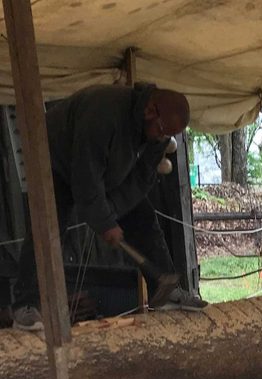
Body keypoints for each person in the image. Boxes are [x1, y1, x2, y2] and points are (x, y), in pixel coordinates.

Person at [11, 83, 206, 332]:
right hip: (55, 161)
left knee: (143, 216)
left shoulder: (158, 131)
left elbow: (141, 180)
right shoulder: (104, 113)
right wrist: (105, 222)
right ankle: (25, 305)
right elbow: (85, 179)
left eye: (168, 135)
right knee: (48, 227)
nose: (162, 138)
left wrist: (112, 211)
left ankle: (164, 293)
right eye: (161, 130)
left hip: (104, 170)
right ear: (150, 110)